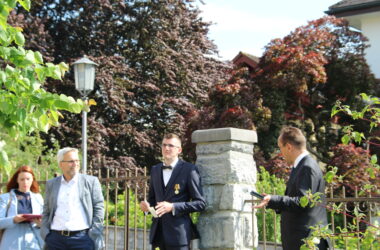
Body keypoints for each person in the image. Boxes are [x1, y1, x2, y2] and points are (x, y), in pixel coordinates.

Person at [254, 126, 330, 250]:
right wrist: (271, 200)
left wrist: (273, 199)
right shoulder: (301, 166)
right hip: (302, 240)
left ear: (289, 147)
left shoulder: (307, 167)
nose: (280, 152)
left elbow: (302, 202)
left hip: (307, 241)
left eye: (280, 148)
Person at [140, 133, 206, 250]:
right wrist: (147, 208)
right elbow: (152, 200)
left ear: (179, 150)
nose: (166, 148)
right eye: (164, 145)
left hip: (178, 235)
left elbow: (200, 203)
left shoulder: (189, 170)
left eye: (171, 145)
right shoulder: (155, 170)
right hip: (158, 235)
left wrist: (173, 207)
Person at [40, 147, 105, 250]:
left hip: (82, 238)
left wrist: (94, 232)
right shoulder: (51, 184)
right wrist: (46, 234)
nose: (75, 164)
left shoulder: (91, 182)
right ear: (61, 164)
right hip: (55, 240)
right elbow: (46, 210)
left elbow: (99, 207)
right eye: (71, 161)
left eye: (77, 160)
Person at [0, 165, 44, 250]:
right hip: (11, 242)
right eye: (22, 179)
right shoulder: (5, 198)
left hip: (33, 242)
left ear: (32, 180)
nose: (25, 182)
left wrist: (40, 223)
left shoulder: (38, 198)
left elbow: (45, 222)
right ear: (17, 180)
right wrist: (13, 219)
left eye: (28, 179)